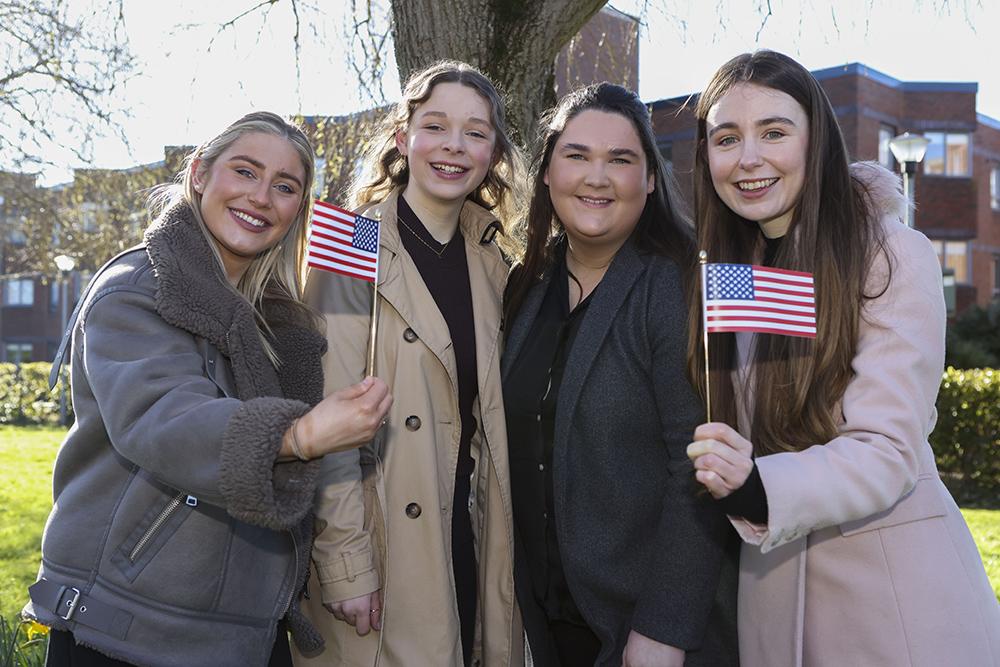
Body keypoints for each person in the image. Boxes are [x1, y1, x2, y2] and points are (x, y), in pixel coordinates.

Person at [24, 111, 392, 667]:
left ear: (298, 209)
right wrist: (299, 434)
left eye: (285, 186)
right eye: (245, 172)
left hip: (246, 634)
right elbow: (163, 420)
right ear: (199, 173)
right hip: (128, 631)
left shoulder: (280, 326)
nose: (262, 196)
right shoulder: (137, 289)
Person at [686, 50, 1000, 667]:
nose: (749, 157)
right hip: (772, 605)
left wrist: (756, 488)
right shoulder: (732, 275)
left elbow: (888, 450)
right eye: (727, 138)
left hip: (895, 609)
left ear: (817, 141)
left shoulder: (891, 254)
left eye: (774, 131)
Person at [295, 61, 524, 666]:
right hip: (383, 548)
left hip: (468, 538)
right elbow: (328, 417)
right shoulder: (350, 245)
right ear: (403, 138)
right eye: (436, 126)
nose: (454, 146)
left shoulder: (495, 262)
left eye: (475, 132)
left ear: (493, 152)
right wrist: (346, 566)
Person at [502, 82, 739, 667]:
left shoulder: (675, 287)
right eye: (577, 155)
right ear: (548, 171)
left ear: (651, 179)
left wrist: (663, 627)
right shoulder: (525, 286)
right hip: (539, 622)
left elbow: (698, 470)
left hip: (640, 631)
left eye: (621, 159)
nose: (596, 177)